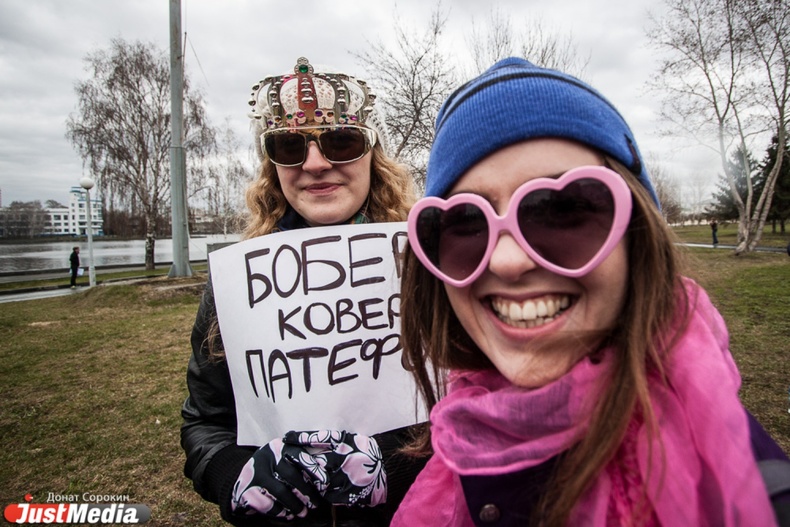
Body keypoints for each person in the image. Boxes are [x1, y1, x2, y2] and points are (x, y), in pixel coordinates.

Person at [392, 58, 789, 526]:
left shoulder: (763, 499)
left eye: (561, 210)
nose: (507, 261)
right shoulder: (458, 438)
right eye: (465, 222)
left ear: (637, 236)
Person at [181, 57, 424, 527]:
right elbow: (206, 421)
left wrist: (400, 472)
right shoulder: (237, 282)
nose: (315, 163)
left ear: (373, 155)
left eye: (342, 140)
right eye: (289, 146)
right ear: (273, 167)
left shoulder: (425, 265)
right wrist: (233, 476)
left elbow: (474, 410)